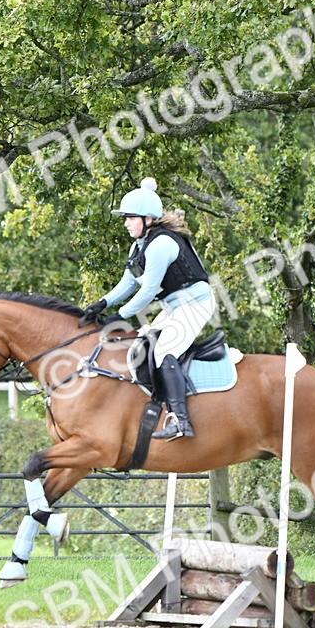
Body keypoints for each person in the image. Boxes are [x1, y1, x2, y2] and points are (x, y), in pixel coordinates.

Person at [82, 177, 217, 439]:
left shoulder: (161, 244)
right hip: (173, 308)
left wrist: (120, 316)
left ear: (146, 218)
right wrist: (102, 303)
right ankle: (159, 405)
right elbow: (128, 283)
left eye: (130, 217)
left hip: (195, 304)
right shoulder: (139, 245)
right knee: (140, 350)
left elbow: (146, 292)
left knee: (164, 351)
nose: (125, 223)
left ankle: (181, 421)